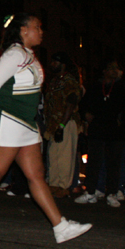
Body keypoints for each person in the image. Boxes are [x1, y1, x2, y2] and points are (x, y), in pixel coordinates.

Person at [0, 13, 91, 245]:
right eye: (37, 27)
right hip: (8, 119)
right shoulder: (15, 54)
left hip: (26, 122)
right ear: (23, 31)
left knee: (36, 175)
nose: (41, 31)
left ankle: (60, 227)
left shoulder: (27, 55)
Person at [76, 61, 125, 207]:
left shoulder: (124, 88)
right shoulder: (96, 87)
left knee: (114, 164)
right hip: (98, 130)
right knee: (94, 162)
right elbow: (83, 105)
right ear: (104, 71)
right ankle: (90, 192)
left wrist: (122, 120)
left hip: (116, 132)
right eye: (111, 68)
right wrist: (86, 115)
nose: (114, 71)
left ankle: (112, 194)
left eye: (117, 68)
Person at [43, 52, 82, 198]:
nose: (52, 64)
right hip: (54, 124)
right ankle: (53, 184)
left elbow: (71, 104)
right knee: (53, 156)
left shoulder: (69, 81)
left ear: (63, 64)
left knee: (65, 156)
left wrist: (62, 125)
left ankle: (63, 186)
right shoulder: (54, 81)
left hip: (66, 123)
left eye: (55, 62)